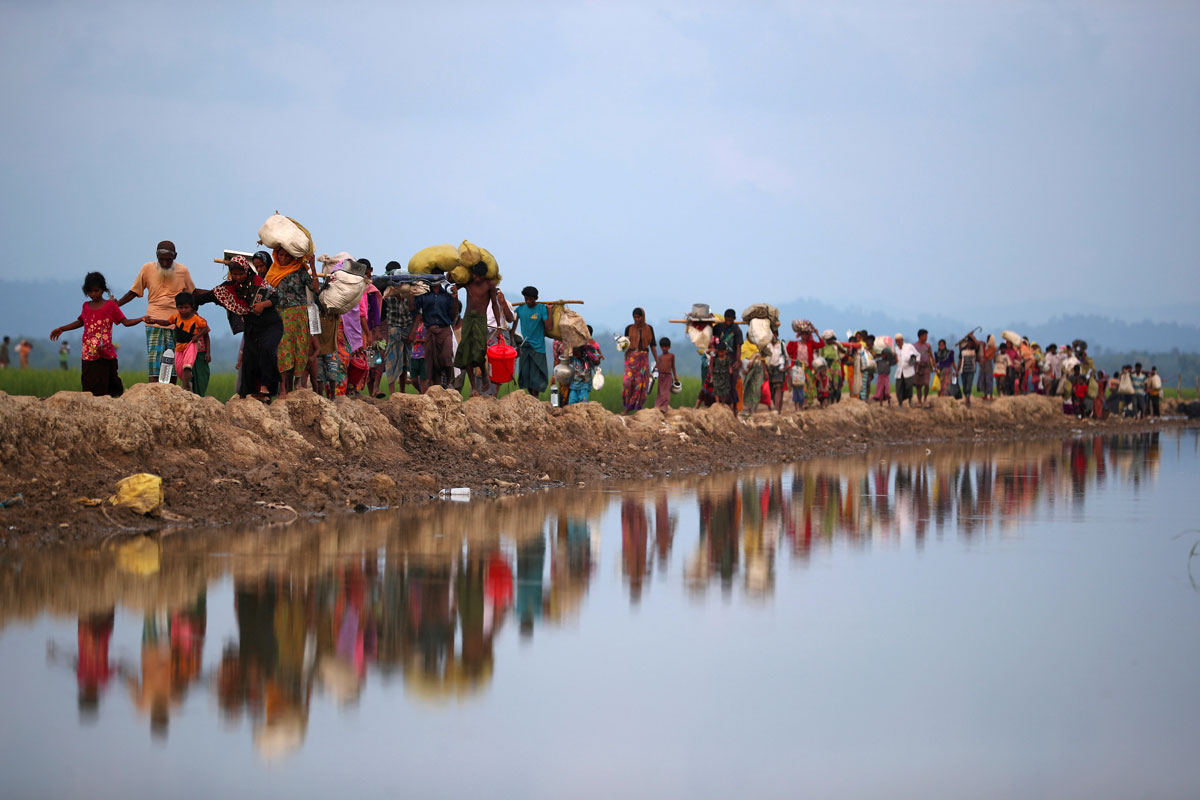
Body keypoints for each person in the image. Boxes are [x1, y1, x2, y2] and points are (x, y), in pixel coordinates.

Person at [196, 255, 281, 400]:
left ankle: (266, 386)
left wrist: (262, 305)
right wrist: (188, 299)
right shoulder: (227, 289)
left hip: (271, 324)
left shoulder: (258, 282)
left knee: (267, 350)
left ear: (247, 271)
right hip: (252, 328)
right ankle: (251, 394)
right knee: (250, 360)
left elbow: (275, 297)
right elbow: (209, 296)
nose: (238, 277)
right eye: (235, 274)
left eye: (241, 274)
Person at [49, 272, 144, 396]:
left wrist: (142, 319)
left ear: (103, 289)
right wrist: (62, 329)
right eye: (90, 291)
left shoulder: (110, 306)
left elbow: (125, 322)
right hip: (89, 354)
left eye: (96, 290)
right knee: (89, 386)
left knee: (111, 384)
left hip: (106, 354)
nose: (93, 294)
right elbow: (80, 322)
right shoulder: (86, 307)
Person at [116, 240, 195, 383]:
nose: (164, 263)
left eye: (168, 260)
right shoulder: (147, 269)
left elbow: (192, 296)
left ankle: (170, 393)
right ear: (156, 256)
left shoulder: (183, 271)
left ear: (175, 256)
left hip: (175, 323)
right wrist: (117, 305)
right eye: (161, 259)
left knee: (172, 361)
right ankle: (153, 392)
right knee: (155, 361)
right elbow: (134, 291)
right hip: (153, 321)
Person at [263, 245, 316, 399]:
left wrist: (312, 266)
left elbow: (315, 289)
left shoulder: (300, 271)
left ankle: (298, 384)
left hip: (299, 314)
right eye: (281, 255)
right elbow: (266, 294)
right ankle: (283, 389)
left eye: (287, 255)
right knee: (283, 350)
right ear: (276, 255)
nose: (284, 258)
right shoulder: (272, 272)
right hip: (280, 315)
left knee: (300, 348)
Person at [454, 262, 504, 396]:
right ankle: (474, 387)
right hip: (468, 319)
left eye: (479, 276)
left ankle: (484, 375)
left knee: (480, 351)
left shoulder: (490, 284)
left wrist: (499, 325)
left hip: (481, 320)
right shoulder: (468, 281)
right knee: (467, 353)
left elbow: (494, 304)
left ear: (484, 276)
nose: (476, 278)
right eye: (474, 275)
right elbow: (454, 285)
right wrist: (452, 284)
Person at [146, 292, 209, 393]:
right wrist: (155, 321)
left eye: (186, 307)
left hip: (192, 343)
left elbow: (205, 329)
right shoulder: (176, 317)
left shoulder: (197, 319)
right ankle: (187, 383)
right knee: (179, 369)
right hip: (179, 346)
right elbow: (166, 323)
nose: (183, 310)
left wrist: (197, 336)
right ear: (177, 307)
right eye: (180, 308)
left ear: (192, 307)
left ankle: (186, 376)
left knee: (188, 360)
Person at [411, 278, 460, 391]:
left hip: (444, 330)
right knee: (432, 362)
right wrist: (411, 294)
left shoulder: (447, 295)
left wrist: (455, 298)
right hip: (430, 331)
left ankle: (449, 382)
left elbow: (453, 315)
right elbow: (414, 309)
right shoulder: (424, 295)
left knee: (446, 357)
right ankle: (436, 387)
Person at [382, 263, 415, 396]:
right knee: (391, 362)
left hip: (408, 329)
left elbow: (414, 310)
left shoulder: (410, 294)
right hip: (394, 331)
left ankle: (402, 392)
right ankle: (392, 394)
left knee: (406, 363)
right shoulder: (389, 294)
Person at [513, 286, 549, 397]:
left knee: (537, 376)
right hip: (525, 346)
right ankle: (532, 398)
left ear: (536, 298)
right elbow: (513, 325)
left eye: (531, 299)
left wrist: (550, 310)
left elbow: (549, 326)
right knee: (525, 374)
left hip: (538, 348)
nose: (528, 301)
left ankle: (535, 398)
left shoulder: (541, 309)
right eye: (526, 299)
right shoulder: (520, 309)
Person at [622, 308, 658, 414]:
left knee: (640, 383)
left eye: (638, 317)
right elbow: (625, 345)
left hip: (643, 358)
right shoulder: (629, 328)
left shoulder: (649, 328)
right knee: (627, 382)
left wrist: (657, 361)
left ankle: (637, 407)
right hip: (631, 358)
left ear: (643, 317)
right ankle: (627, 405)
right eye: (635, 317)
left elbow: (653, 345)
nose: (636, 319)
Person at [894, 333, 919, 407]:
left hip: (908, 371)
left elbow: (917, 355)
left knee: (909, 386)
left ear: (902, 340)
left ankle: (910, 400)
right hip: (899, 371)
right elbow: (895, 360)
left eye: (899, 341)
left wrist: (914, 361)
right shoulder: (895, 349)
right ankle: (900, 403)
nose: (898, 343)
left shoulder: (909, 347)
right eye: (896, 341)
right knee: (899, 387)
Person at [740, 340, 763, 418]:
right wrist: (745, 367)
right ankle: (747, 408)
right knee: (747, 387)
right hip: (748, 370)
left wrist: (765, 371)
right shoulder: (745, 346)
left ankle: (754, 409)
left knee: (757, 389)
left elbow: (763, 360)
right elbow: (742, 359)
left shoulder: (760, 346)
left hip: (758, 370)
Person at [652, 337, 676, 411]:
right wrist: (652, 372)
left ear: (669, 347)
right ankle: (657, 406)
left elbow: (673, 366)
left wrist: (675, 376)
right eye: (662, 347)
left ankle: (665, 406)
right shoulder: (660, 357)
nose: (664, 348)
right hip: (661, 375)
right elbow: (657, 365)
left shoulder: (671, 356)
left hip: (668, 375)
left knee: (666, 392)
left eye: (666, 347)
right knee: (660, 391)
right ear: (660, 347)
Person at [872, 338, 894, 406]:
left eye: (884, 355)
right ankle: (880, 402)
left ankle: (888, 401)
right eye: (882, 354)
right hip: (880, 377)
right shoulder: (879, 361)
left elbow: (895, 360)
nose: (883, 356)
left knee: (887, 390)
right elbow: (872, 361)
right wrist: (876, 356)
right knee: (880, 390)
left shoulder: (889, 362)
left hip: (886, 377)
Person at [957, 334, 978, 408]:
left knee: (969, 384)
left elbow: (978, 344)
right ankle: (966, 397)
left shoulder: (975, 350)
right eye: (968, 342)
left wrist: (972, 336)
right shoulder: (963, 350)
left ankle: (968, 399)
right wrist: (957, 369)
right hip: (963, 370)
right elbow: (960, 360)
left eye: (971, 342)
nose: (970, 343)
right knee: (965, 385)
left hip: (971, 370)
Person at [913, 328, 933, 405]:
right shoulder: (914, 346)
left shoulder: (927, 346)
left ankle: (925, 399)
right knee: (918, 385)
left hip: (926, 366)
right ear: (920, 336)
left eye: (926, 336)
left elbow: (931, 356)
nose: (926, 337)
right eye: (925, 336)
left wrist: (934, 366)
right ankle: (919, 401)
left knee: (926, 383)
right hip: (918, 367)